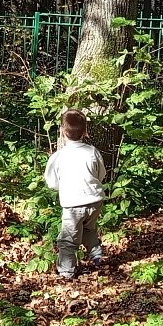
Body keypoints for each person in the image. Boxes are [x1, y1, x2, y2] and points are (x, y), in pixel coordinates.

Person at [43, 109, 108, 280]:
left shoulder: (58, 157)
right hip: (95, 201)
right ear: (85, 131)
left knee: (68, 240)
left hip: (72, 205)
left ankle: (67, 273)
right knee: (89, 229)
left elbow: (52, 183)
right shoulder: (92, 151)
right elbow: (101, 175)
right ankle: (97, 257)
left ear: (62, 131)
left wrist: (65, 187)